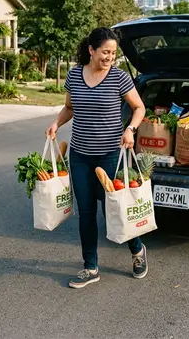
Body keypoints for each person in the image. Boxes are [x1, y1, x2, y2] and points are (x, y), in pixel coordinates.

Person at [46, 27, 146, 289]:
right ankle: (90, 267)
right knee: (87, 213)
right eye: (105, 52)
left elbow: (139, 107)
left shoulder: (119, 78)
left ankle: (137, 251)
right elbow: (70, 107)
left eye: (113, 53)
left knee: (116, 209)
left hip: (111, 155)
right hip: (80, 155)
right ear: (91, 50)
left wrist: (130, 129)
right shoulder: (74, 76)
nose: (109, 57)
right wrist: (57, 123)